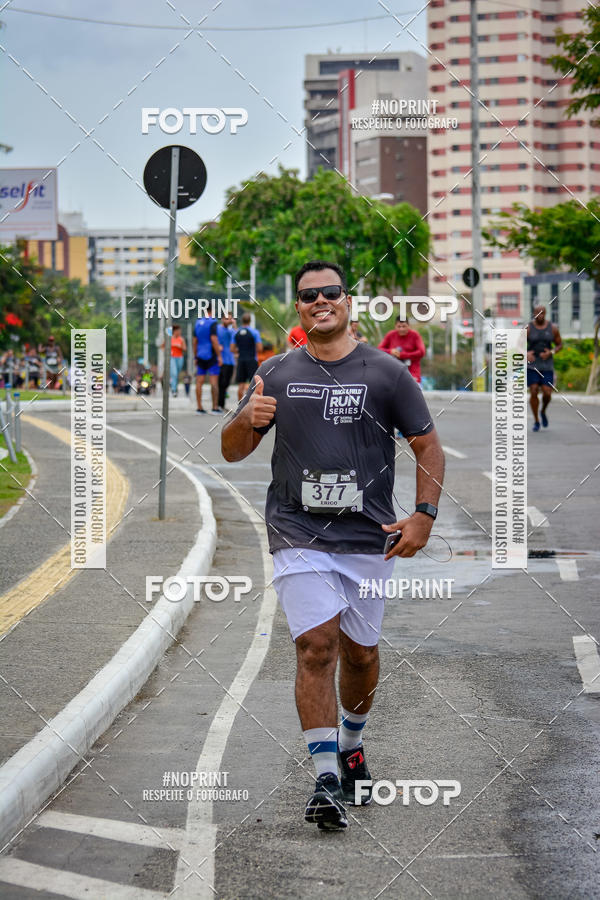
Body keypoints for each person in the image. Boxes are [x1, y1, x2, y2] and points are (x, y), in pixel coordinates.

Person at [222, 260, 444, 832]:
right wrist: (248, 417)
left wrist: (422, 516)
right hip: (297, 533)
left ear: (348, 301)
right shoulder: (274, 372)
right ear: (297, 308)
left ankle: (351, 743)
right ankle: (325, 779)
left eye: (331, 292)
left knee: (360, 654)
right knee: (316, 648)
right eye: (308, 295)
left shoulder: (387, 373)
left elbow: (427, 448)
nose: (321, 301)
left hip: (367, 538)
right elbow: (231, 450)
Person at [527, 305, 562, 432]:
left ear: (545, 314)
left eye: (542, 313)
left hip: (547, 365)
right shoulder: (528, 328)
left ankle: (543, 411)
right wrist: (525, 354)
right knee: (534, 390)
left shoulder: (552, 328)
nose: (540, 315)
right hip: (532, 365)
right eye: (537, 313)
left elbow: (560, 345)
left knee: (547, 393)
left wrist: (551, 352)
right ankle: (536, 420)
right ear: (534, 313)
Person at [378, 317, 426, 383]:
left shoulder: (415, 335)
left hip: (412, 373)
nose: (401, 329)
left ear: (409, 326)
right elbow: (379, 349)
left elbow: (421, 352)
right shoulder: (390, 335)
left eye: (404, 326)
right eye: (399, 326)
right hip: (394, 373)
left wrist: (402, 355)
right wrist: (390, 351)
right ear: (395, 326)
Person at [193, 314, 222, 414]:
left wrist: (195, 356)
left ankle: (199, 408)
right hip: (211, 355)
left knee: (199, 382)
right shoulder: (213, 322)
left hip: (200, 354)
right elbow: (214, 339)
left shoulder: (197, 323)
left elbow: (195, 341)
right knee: (214, 382)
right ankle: (214, 408)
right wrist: (219, 355)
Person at [233, 312, 262, 402]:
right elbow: (260, 348)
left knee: (241, 385)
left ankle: (240, 407)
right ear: (250, 321)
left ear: (242, 321)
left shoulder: (236, 333)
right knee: (252, 385)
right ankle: (250, 405)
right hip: (251, 360)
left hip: (241, 360)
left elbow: (232, 349)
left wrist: (240, 351)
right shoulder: (254, 332)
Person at [217, 311, 236, 410]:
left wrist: (234, 325)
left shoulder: (232, 331)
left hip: (231, 361)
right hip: (221, 360)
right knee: (221, 383)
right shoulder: (217, 329)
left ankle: (221, 404)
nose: (228, 321)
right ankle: (220, 405)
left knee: (227, 383)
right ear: (222, 319)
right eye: (227, 319)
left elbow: (237, 338)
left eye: (230, 319)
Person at [168, 325, 186, 397]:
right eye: (178, 330)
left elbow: (185, 348)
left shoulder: (181, 339)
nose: (179, 332)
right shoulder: (169, 338)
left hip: (179, 358)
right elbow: (163, 346)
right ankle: (173, 389)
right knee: (174, 373)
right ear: (174, 331)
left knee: (176, 375)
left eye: (180, 331)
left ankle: (175, 387)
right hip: (172, 357)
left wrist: (179, 346)